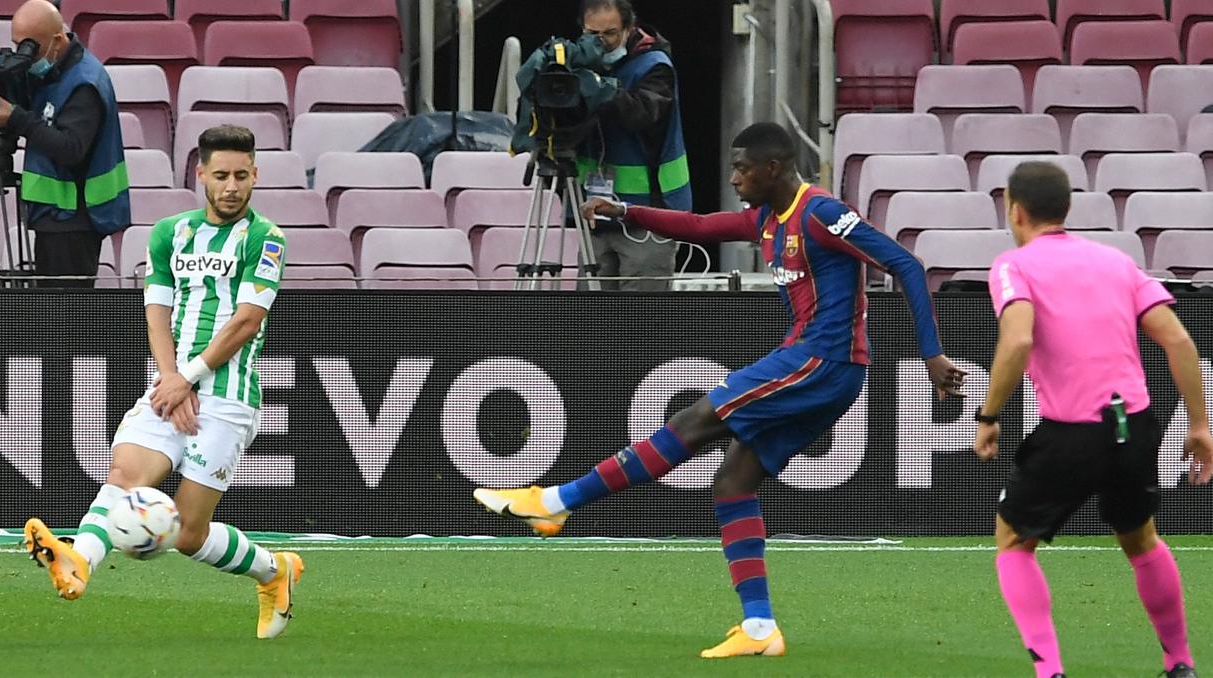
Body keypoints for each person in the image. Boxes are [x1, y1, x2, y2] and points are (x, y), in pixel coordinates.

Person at [474, 122, 966, 658]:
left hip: (821, 361)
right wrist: (627, 212)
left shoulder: (820, 213)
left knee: (693, 421)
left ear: (773, 168)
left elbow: (906, 264)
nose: (733, 178)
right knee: (732, 484)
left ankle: (555, 503)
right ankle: (760, 629)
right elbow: (702, 226)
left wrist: (931, 352)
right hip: (817, 366)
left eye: (741, 168)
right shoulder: (766, 218)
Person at [22, 125, 301, 639]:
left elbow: (246, 321)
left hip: (228, 397)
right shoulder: (171, 232)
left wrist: (189, 379)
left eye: (242, 175)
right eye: (221, 175)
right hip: (173, 385)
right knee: (125, 473)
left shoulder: (267, 239)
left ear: (256, 175)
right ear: (201, 175)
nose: (232, 186)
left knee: (189, 534)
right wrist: (172, 379)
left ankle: (274, 571)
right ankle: (77, 561)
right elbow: (157, 309)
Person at [973, 161, 1212, 678]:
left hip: (1071, 432)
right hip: (1134, 428)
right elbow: (1179, 340)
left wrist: (988, 415)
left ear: (1014, 211)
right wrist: (1199, 425)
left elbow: (1017, 340)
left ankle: (1050, 671)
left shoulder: (1014, 266)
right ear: (1066, 209)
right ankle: (1180, 663)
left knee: (1014, 542)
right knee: (1141, 538)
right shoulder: (1116, 262)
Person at [0, 0, 130, 287]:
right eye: (17, 44)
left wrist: (15, 119)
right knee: (49, 317)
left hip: (75, 221)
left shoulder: (85, 82)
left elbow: (71, 148)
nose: (25, 56)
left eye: (30, 48)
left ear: (57, 41)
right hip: (53, 216)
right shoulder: (50, 70)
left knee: (65, 321)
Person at [575, 0, 691, 291]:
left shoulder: (655, 67)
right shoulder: (581, 65)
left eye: (610, 34)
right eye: (592, 34)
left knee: (639, 330)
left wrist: (599, 87)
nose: (601, 43)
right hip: (595, 213)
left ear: (629, 28)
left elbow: (639, 114)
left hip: (650, 213)